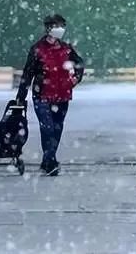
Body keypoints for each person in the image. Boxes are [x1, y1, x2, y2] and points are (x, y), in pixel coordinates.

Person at [16, 14, 84, 176]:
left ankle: (48, 159)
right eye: (57, 26)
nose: (60, 30)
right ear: (48, 28)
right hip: (42, 95)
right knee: (47, 127)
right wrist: (21, 96)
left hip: (62, 95)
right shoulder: (37, 49)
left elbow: (79, 63)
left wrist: (75, 79)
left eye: (62, 26)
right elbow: (28, 73)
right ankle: (50, 161)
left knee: (57, 128)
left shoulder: (66, 48)